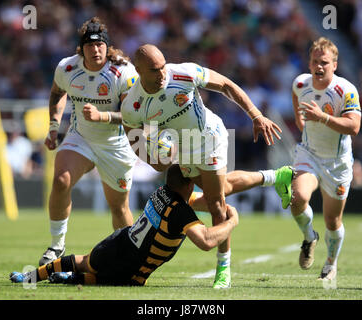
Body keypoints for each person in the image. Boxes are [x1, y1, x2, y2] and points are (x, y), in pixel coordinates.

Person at [120, 44, 294, 288]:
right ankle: (276, 176)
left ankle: (223, 268)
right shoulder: (132, 105)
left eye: (162, 66)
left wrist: (256, 115)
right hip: (182, 149)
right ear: (138, 70)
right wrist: (155, 162)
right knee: (220, 189)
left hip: (209, 137)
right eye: (154, 70)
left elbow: (226, 85)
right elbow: (135, 140)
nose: (162, 74)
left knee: (215, 203)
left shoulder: (183, 73)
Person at [9, 165, 239, 286]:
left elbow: (199, 202)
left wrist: (215, 203)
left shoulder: (163, 192)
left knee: (84, 262)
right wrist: (232, 221)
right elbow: (206, 241)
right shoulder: (180, 211)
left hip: (118, 244)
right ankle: (67, 278)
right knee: (106, 277)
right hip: (134, 271)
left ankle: (32, 278)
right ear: (189, 184)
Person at [39, 17, 139, 266]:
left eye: (100, 45)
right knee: (61, 180)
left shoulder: (123, 72)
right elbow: (56, 93)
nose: (96, 50)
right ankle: (56, 245)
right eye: (90, 45)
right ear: (81, 48)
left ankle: (129, 261)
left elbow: (133, 117)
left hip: (115, 145)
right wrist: (53, 127)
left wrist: (102, 116)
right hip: (80, 138)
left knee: (119, 208)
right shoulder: (67, 68)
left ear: (107, 47)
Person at [289, 37, 362, 280]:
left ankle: (331, 263)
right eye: (314, 62)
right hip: (309, 154)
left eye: (324, 62)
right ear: (309, 64)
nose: (319, 67)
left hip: (337, 162)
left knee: (332, 220)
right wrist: (301, 122)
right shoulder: (300, 84)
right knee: (297, 198)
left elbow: (354, 127)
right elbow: (295, 98)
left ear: (335, 64)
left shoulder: (346, 90)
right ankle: (309, 237)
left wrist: (323, 118)